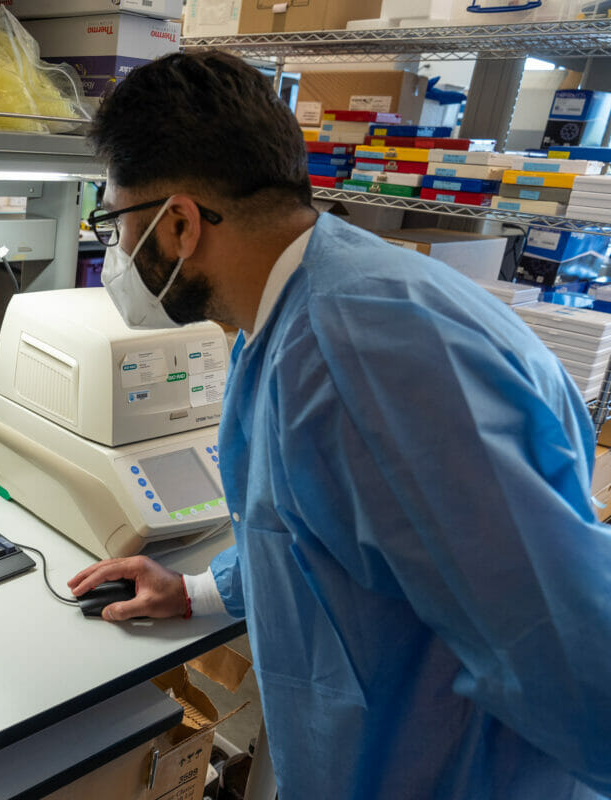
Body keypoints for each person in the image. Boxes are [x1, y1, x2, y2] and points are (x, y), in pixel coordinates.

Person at [67, 50, 611, 799]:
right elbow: (315, 531)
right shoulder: (317, 298)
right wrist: (194, 594)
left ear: (180, 223)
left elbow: (569, 647)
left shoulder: (360, 357)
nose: (116, 253)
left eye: (116, 223)